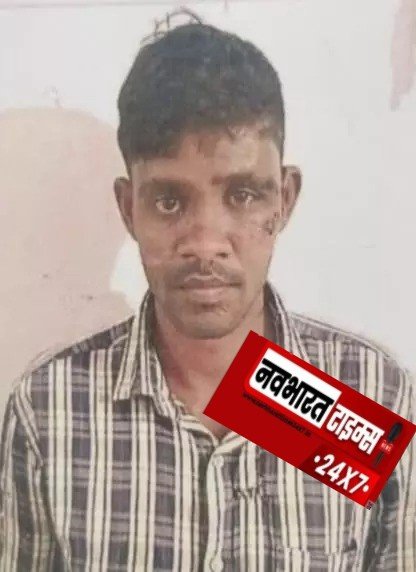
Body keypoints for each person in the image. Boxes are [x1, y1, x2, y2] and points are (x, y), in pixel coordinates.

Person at [0, 16, 414, 572]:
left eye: (242, 195)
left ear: (284, 200)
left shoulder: (370, 400)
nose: (205, 243)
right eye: (169, 201)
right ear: (128, 208)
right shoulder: (50, 411)